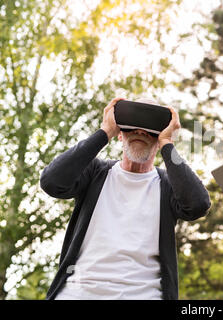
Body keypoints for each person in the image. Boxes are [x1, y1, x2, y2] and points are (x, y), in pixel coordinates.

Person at [40, 97, 211, 300]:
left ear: (159, 137)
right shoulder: (96, 173)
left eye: (150, 129)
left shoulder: (167, 185)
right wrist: (104, 133)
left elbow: (198, 205)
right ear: (120, 135)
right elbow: (51, 182)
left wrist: (168, 144)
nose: (140, 132)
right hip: (78, 293)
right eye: (132, 126)